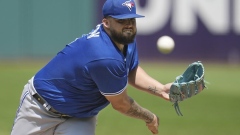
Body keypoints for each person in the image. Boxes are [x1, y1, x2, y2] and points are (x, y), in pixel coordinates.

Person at [11, 0, 172, 134]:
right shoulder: (104, 56)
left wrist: (161, 89)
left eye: (131, 19)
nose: (128, 25)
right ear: (106, 23)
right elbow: (121, 104)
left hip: (80, 117)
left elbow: (130, 70)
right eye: (121, 20)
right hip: (39, 109)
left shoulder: (125, 39)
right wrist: (149, 117)